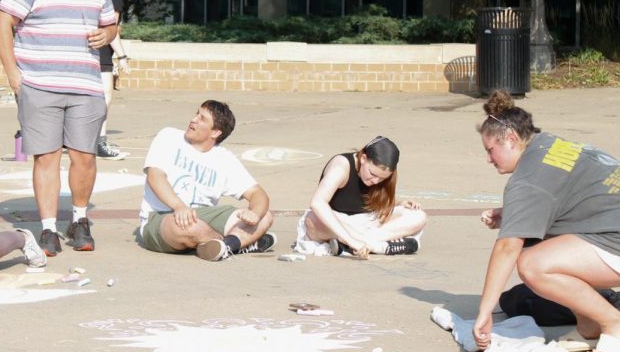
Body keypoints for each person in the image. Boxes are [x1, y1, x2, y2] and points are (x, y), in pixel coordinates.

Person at [472, 90, 620, 352]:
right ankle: (589, 325)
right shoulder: (548, 145)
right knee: (542, 242)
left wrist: (484, 312)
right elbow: (566, 198)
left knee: (533, 264)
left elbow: (508, 247)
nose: (488, 159)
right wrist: (511, 214)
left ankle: (615, 322)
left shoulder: (527, 180)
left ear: (510, 139)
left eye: (490, 150)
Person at [0, 0, 118, 255]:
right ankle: (47, 229)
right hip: (39, 84)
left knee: (85, 156)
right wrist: (12, 74)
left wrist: (108, 35)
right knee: (46, 157)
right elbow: (2, 21)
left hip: (86, 84)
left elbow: (110, 23)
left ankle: (79, 220)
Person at [138, 100, 276, 261]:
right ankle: (238, 244)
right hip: (161, 217)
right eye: (197, 113)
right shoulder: (169, 137)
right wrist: (179, 207)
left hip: (203, 217)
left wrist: (255, 213)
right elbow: (155, 176)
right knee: (190, 227)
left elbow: (257, 194)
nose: (194, 119)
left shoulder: (224, 159)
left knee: (265, 215)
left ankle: (225, 246)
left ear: (215, 132)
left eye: (202, 118)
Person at [294, 136, 426, 258]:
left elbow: (367, 202)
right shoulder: (341, 166)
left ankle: (362, 246)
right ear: (363, 158)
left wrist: (398, 204)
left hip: (368, 223)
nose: (375, 181)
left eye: (382, 178)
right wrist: (350, 240)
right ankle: (380, 246)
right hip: (336, 223)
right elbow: (317, 202)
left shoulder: (381, 176)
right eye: (372, 174)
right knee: (312, 219)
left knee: (418, 216)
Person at [96, 0, 148, 160]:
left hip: (94, 49)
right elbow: (112, 31)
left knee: (94, 97)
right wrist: (122, 56)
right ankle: (99, 142)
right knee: (105, 97)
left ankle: (86, 139)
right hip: (101, 51)